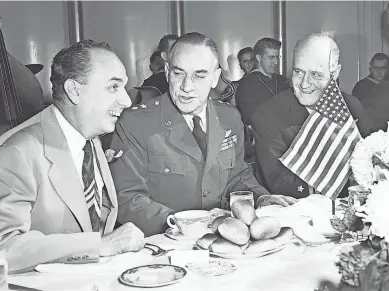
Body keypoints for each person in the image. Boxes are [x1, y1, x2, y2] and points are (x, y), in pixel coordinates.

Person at [108, 32, 297, 236]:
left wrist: (261, 198)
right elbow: (127, 197)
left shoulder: (229, 118)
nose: (186, 87)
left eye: (199, 75)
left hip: (224, 241)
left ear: (215, 77)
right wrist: (188, 225)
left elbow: (237, 176)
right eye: (179, 73)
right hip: (165, 246)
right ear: (166, 72)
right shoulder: (136, 124)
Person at [0, 40, 145, 273]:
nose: (127, 100)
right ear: (74, 90)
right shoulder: (15, 152)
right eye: (113, 87)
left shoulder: (89, 136)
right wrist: (100, 245)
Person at [250, 33, 372, 198]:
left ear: (335, 72)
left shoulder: (352, 107)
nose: (304, 84)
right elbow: (280, 183)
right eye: (298, 72)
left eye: (316, 74)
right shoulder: (268, 115)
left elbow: (365, 163)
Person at [235, 37, 290, 125]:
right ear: (258, 58)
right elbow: (251, 119)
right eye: (271, 58)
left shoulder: (282, 81)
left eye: (277, 57)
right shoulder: (246, 85)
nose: (275, 62)